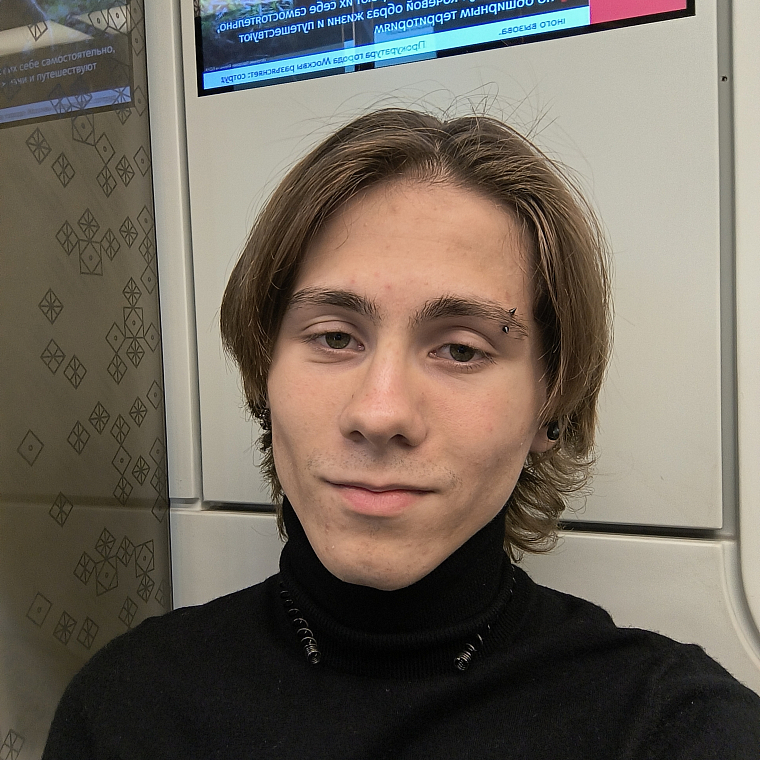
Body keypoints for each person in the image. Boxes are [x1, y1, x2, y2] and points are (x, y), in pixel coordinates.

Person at [43, 108, 760, 758]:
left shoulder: (668, 726)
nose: (380, 413)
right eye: (334, 337)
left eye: (461, 350)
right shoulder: (125, 708)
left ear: (553, 402)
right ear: (264, 372)